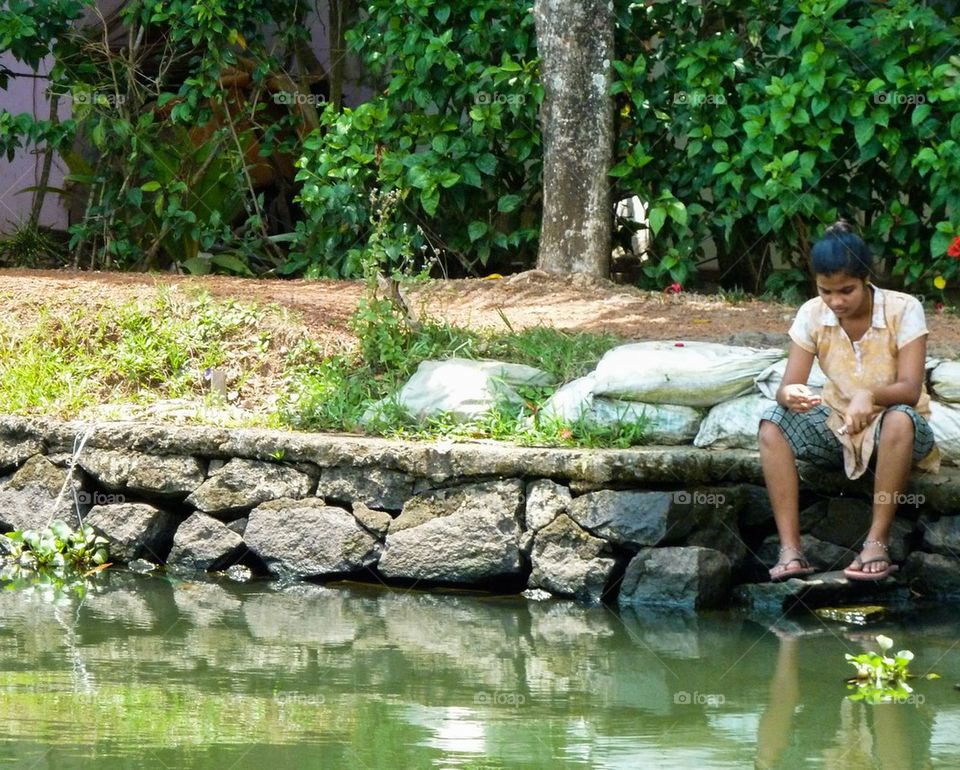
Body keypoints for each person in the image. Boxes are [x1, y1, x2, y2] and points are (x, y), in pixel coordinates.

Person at [758, 220, 939, 582]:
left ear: (866, 279)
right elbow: (789, 385)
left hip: (898, 434)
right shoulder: (812, 313)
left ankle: (877, 542)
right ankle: (791, 551)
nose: (836, 301)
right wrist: (789, 394)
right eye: (826, 291)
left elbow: (909, 388)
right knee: (771, 423)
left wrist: (869, 396)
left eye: (846, 291)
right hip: (838, 429)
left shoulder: (903, 309)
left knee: (900, 417)